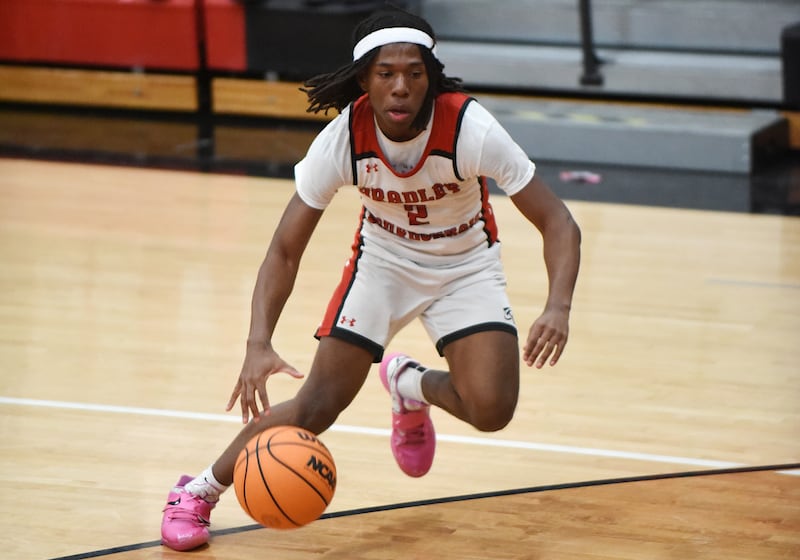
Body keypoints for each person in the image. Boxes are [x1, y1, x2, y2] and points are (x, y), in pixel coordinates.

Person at [160, 5, 581, 551]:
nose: (401, 87)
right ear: (364, 80)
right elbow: (285, 249)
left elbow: (558, 222)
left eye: (414, 73)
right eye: (386, 74)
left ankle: (407, 383)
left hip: (465, 267)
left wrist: (559, 306)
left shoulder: (470, 127)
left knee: (492, 410)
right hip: (383, 264)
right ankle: (196, 491)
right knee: (315, 408)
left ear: (430, 77)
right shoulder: (343, 139)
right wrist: (257, 342)